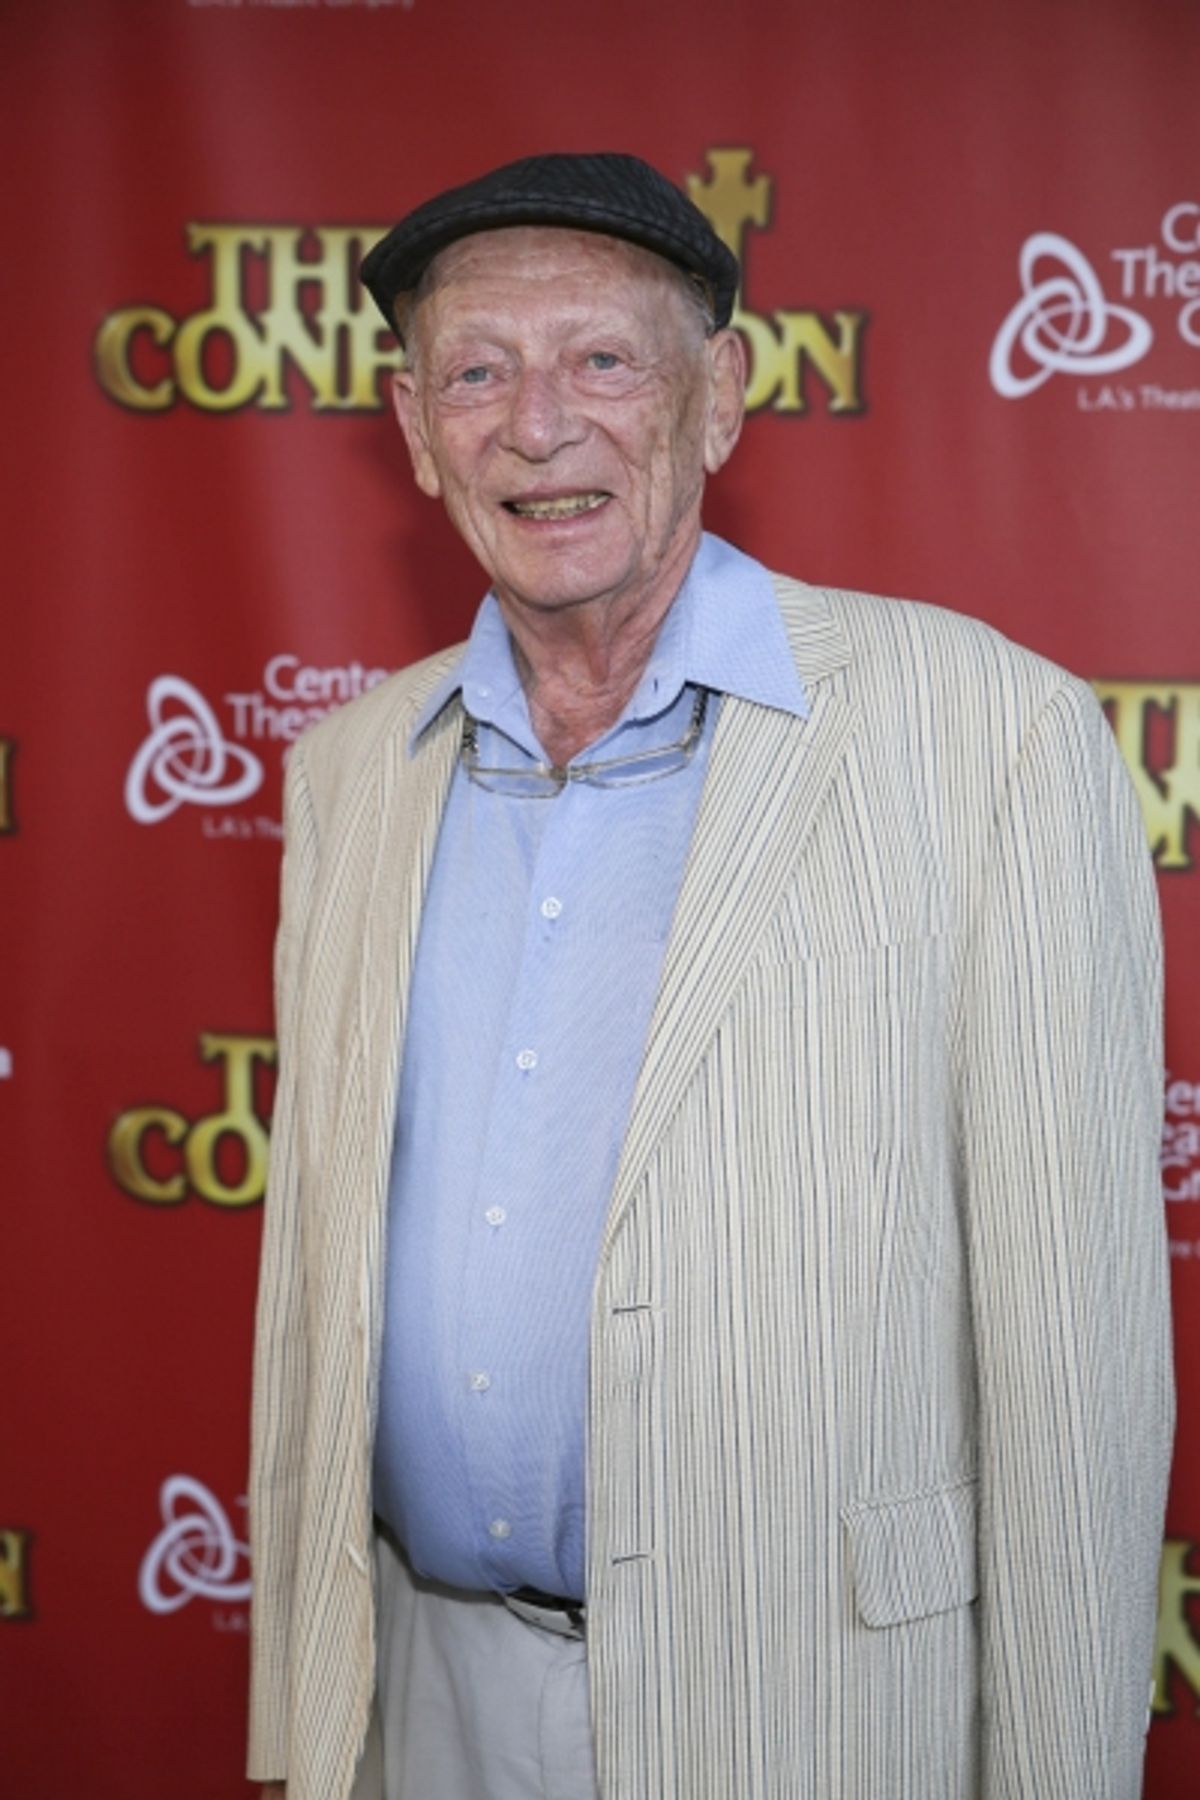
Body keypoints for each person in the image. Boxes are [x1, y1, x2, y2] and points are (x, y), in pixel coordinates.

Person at [247, 153, 1173, 1800]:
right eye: (478, 371)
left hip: (814, 1710)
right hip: (422, 1693)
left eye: (602, 358)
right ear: (411, 428)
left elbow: (1075, 1378)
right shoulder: (350, 776)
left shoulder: (991, 736)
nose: (539, 425)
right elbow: (314, 1301)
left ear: (723, 393)